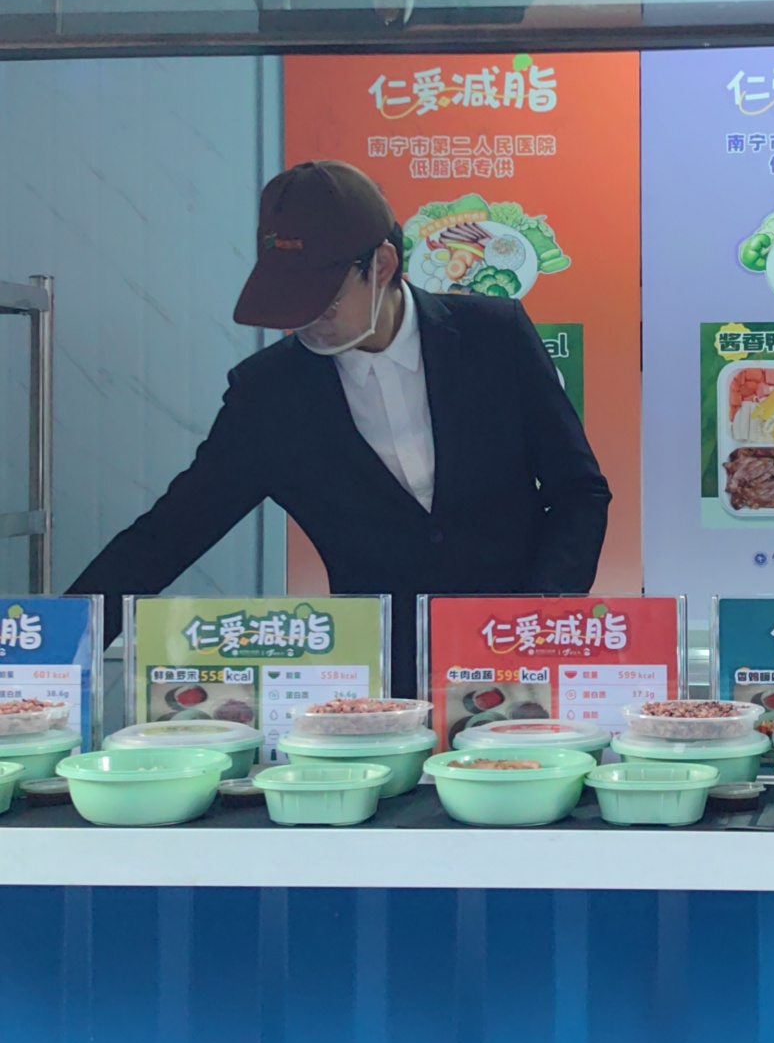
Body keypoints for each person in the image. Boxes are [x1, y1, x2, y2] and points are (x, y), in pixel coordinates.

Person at [69, 161, 612, 694]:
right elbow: (169, 533)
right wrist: (61, 647)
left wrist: (537, 615)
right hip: (378, 685)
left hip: (520, 663)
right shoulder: (269, 395)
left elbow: (578, 492)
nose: (306, 321)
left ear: (382, 264)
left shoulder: (494, 337)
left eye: (324, 302)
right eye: (290, 303)